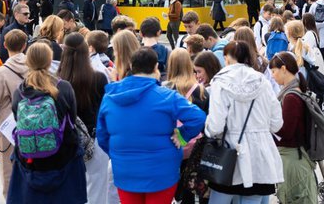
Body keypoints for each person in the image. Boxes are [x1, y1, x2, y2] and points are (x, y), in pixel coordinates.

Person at [97, 47, 206, 203]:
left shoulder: (109, 97)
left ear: (131, 66)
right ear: (156, 67)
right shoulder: (167, 96)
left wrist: (119, 153)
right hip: (162, 171)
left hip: (125, 170)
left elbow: (102, 136)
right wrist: (182, 135)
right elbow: (198, 117)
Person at [204, 41, 283, 203]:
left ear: (226, 58)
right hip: (259, 157)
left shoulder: (220, 83)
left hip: (229, 156)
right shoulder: (263, 82)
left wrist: (208, 130)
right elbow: (277, 124)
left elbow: (215, 126)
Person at [8, 41, 86, 204]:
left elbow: (18, 119)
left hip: (30, 161)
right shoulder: (63, 87)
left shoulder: (19, 92)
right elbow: (72, 119)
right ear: (50, 60)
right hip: (63, 158)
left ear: (28, 61)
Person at [58, 33, 109, 204]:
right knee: (97, 191)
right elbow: (105, 111)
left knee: (67, 189)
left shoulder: (57, 81)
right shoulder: (98, 78)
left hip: (65, 140)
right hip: (95, 139)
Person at [268, 52, 317, 204]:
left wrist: (268, 124)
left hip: (293, 160)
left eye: (274, 72)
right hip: (296, 157)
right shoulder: (296, 89)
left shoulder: (290, 97)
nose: (272, 76)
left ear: (283, 69)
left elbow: (286, 132)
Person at [164, 48, 210, 204]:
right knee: (190, 186)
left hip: (170, 144)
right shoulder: (201, 90)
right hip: (194, 148)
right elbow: (206, 120)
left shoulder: (164, 88)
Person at [0, 29, 30, 197]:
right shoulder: (34, 67)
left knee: (8, 168)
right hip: (32, 119)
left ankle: (11, 198)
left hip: (8, 124)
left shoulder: (1, 72)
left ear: (5, 45)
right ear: (25, 45)